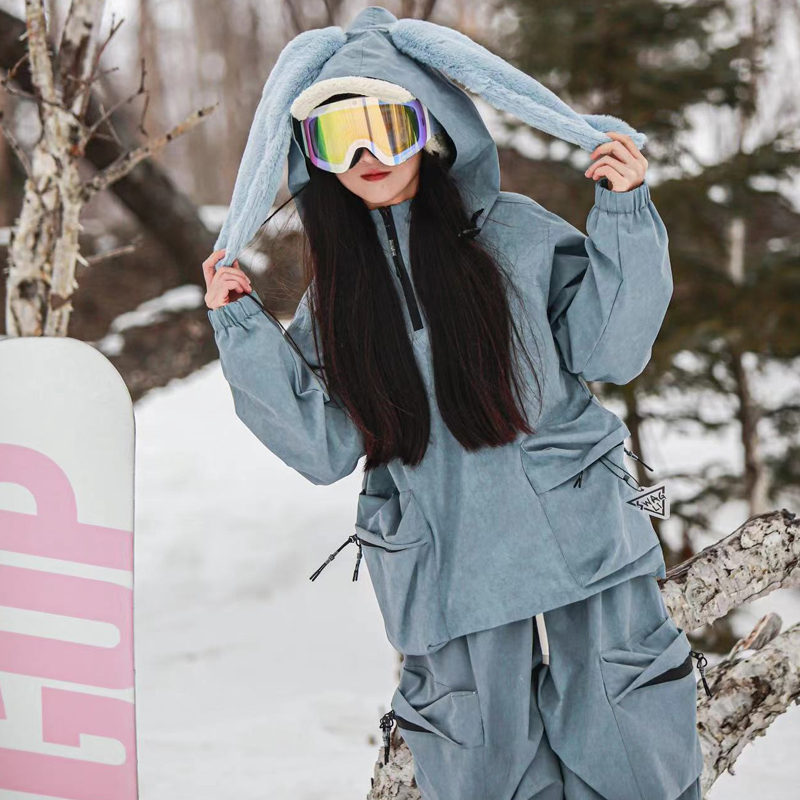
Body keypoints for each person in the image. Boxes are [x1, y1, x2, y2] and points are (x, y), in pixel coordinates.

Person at [202, 7, 705, 800]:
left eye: (385, 127)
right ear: (312, 159)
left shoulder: (515, 234)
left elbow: (612, 350)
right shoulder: (333, 299)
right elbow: (322, 447)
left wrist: (624, 214)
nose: (367, 155)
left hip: (580, 535)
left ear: (429, 130)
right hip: (447, 565)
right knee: (481, 767)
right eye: (339, 139)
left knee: (631, 738)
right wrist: (240, 327)